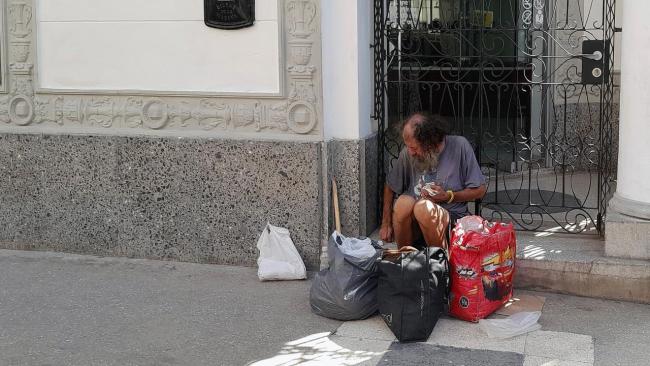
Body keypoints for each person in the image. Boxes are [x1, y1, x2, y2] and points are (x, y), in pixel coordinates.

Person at [379, 113, 487, 249]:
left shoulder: (460, 146)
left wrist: (449, 196)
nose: (411, 152)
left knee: (423, 208)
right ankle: (406, 259)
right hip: (415, 226)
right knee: (403, 203)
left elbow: (480, 190)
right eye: (408, 147)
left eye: (414, 148)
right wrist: (386, 222)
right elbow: (390, 185)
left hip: (449, 221)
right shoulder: (408, 153)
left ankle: (439, 263)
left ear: (430, 141)